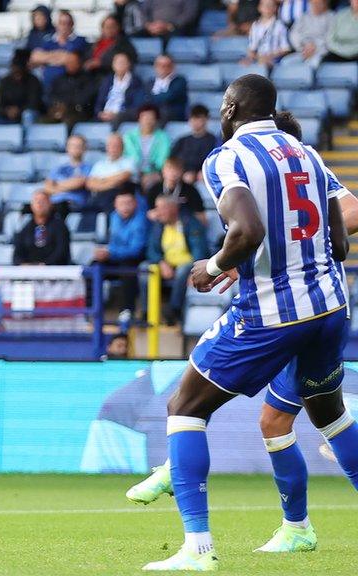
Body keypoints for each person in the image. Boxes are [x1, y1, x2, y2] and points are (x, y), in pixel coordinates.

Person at [140, 73, 357, 571]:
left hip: (274, 312)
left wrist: (213, 265)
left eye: (223, 103)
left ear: (232, 107)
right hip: (329, 306)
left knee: (185, 407)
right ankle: (295, 528)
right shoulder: (307, 154)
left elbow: (248, 229)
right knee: (330, 416)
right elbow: (340, 241)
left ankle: (198, 549)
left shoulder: (226, 158)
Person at [138, 195, 207, 325]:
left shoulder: (190, 223)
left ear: (174, 208)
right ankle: (146, 312)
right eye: (157, 208)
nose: (158, 212)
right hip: (166, 264)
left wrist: (195, 272)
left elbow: (200, 251)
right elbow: (151, 250)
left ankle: (174, 310)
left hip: (187, 264)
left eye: (162, 208)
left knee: (182, 270)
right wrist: (161, 262)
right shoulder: (158, 225)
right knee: (144, 268)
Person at [95, 189, 148, 314]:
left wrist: (110, 252)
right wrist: (103, 252)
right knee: (94, 266)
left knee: (127, 268)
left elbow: (136, 250)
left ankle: (126, 311)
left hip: (135, 258)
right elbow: (112, 242)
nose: (125, 207)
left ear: (135, 204)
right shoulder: (113, 217)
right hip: (115, 256)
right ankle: (91, 308)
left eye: (128, 203)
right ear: (115, 205)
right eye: (121, 203)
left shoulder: (141, 220)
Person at [29, 10, 88, 91]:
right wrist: (59, 55)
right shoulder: (48, 40)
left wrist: (47, 57)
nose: (65, 26)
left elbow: (70, 59)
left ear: (72, 25)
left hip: (69, 85)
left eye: (68, 23)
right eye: (62, 23)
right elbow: (35, 57)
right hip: (47, 84)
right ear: (57, 25)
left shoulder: (79, 40)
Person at [12, 190, 71, 266]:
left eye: (43, 200)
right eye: (36, 200)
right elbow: (18, 253)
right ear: (31, 205)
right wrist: (23, 264)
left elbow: (61, 252)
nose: (39, 204)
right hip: (29, 273)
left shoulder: (59, 226)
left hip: (54, 272)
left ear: (50, 204)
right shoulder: (26, 228)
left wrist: (45, 264)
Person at [145, 157, 206, 223]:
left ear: (182, 172)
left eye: (176, 170)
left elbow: (201, 217)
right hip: (161, 226)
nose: (173, 174)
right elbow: (148, 213)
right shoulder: (154, 189)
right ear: (163, 171)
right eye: (169, 170)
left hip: (183, 226)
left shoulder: (191, 190)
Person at [86, 133, 137, 212]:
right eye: (111, 145)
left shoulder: (129, 161)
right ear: (107, 147)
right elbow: (90, 183)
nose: (113, 148)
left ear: (122, 147)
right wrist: (109, 184)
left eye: (116, 145)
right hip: (100, 196)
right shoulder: (99, 164)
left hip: (119, 195)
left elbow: (122, 178)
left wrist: (101, 181)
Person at [123, 104, 170, 189]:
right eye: (144, 117)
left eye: (151, 117)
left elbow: (162, 159)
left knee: (150, 182)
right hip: (132, 171)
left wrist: (148, 172)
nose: (147, 120)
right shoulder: (129, 136)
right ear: (139, 119)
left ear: (156, 119)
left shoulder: (163, 137)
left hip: (154, 171)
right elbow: (126, 156)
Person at [44, 51, 95, 126]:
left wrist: (66, 105)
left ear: (79, 63)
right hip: (58, 110)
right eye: (68, 62)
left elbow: (84, 98)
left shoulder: (88, 80)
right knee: (42, 122)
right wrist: (58, 105)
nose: (69, 64)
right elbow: (50, 96)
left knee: (68, 120)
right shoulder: (59, 79)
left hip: (77, 113)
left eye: (73, 62)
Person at [171, 105, 218, 185]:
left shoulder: (213, 140)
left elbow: (214, 160)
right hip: (182, 173)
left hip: (202, 174)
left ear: (206, 119)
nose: (195, 121)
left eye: (198, 118)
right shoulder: (182, 140)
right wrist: (180, 172)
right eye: (192, 118)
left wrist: (203, 172)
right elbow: (172, 159)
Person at [42, 134, 92, 208]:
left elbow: (79, 183)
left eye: (78, 146)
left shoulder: (89, 168)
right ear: (67, 148)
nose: (75, 148)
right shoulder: (58, 168)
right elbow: (47, 187)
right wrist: (69, 186)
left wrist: (56, 184)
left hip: (76, 204)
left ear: (85, 148)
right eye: (72, 145)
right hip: (56, 204)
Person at [280, 0, 333, 68]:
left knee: (312, 64)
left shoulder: (332, 17)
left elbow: (331, 38)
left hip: (320, 53)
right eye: (313, 3)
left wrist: (315, 47)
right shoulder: (303, 16)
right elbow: (294, 34)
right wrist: (304, 46)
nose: (315, 6)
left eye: (319, 3)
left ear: (325, 3)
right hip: (303, 50)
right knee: (285, 62)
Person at [95, 52, 145, 124]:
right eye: (117, 62)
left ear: (128, 64)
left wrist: (117, 115)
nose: (119, 65)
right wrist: (100, 113)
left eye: (122, 62)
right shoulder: (107, 80)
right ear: (113, 65)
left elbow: (135, 106)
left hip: (122, 118)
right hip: (104, 116)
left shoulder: (136, 82)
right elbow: (99, 102)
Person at [240, 0, 291, 67]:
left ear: (275, 8)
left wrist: (270, 56)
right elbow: (252, 48)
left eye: (270, 5)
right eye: (264, 5)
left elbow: (285, 49)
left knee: (264, 65)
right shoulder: (255, 25)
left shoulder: (280, 26)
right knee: (243, 64)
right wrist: (254, 58)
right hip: (258, 59)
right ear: (259, 7)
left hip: (274, 60)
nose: (267, 7)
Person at [0, 54, 42, 126]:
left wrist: (19, 110)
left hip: (26, 113)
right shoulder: (4, 81)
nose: (18, 75)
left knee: (28, 115)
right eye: (15, 72)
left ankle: (27, 137)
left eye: (20, 72)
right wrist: (7, 111)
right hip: (7, 115)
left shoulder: (33, 81)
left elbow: (34, 103)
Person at [145, 54, 187, 122]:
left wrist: (150, 98)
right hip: (153, 111)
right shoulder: (150, 82)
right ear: (155, 66)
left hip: (172, 113)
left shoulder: (180, 81)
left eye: (166, 65)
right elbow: (143, 97)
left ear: (172, 67)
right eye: (159, 65)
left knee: (160, 113)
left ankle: (154, 132)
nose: (162, 68)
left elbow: (168, 97)